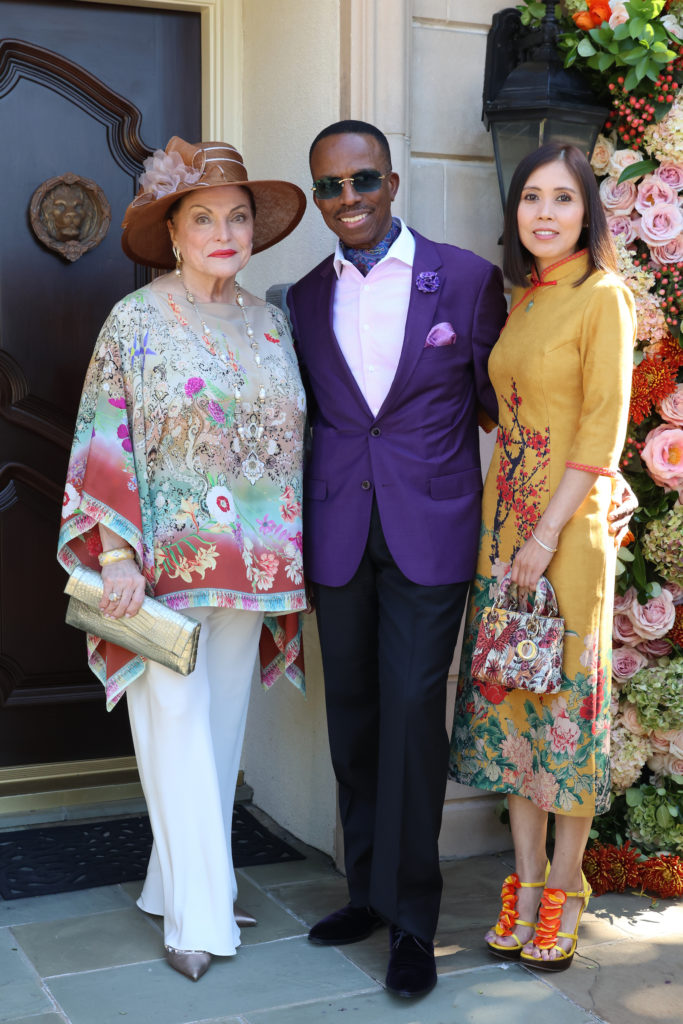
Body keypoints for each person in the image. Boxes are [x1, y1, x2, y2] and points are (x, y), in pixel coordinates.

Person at [58, 137, 307, 981]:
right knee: (174, 729)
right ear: (173, 232)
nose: (223, 231)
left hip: (255, 565)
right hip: (157, 567)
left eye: (237, 217)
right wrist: (116, 552)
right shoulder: (135, 320)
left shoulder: (271, 321)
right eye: (203, 218)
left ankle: (175, 884)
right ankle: (198, 922)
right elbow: (104, 434)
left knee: (220, 730)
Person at [287, 119, 509, 998]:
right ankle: (367, 894)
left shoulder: (463, 279)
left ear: (393, 182)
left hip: (430, 535)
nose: (348, 200)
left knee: (414, 717)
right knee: (355, 720)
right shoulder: (301, 296)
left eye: (362, 181)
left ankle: (413, 920)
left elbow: (505, 402)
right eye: (329, 189)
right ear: (316, 199)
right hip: (339, 536)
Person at [449, 142, 635, 972]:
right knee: (511, 710)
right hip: (504, 534)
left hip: (560, 540)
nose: (545, 213)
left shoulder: (602, 297)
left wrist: (546, 533)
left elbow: (600, 429)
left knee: (562, 714)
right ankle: (522, 889)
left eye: (562, 199)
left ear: (586, 212)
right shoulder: (525, 299)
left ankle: (564, 888)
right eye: (531, 198)